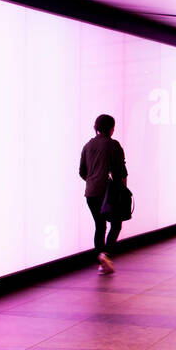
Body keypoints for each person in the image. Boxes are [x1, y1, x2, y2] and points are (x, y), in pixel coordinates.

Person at [79, 114, 127, 274]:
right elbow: (120, 171)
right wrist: (122, 190)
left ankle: (101, 261)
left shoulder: (88, 145)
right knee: (116, 224)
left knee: (99, 226)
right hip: (108, 193)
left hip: (90, 193)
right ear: (111, 128)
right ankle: (106, 255)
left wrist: (92, 180)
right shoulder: (113, 145)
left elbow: (82, 172)